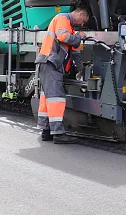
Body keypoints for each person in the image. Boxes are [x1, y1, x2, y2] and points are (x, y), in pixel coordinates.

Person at [35, 7, 90, 144]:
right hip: (50, 62)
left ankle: (46, 131)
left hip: (52, 64)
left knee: (47, 97)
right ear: (79, 13)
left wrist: (81, 69)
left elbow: (76, 53)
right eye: (82, 21)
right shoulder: (62, 18)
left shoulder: (71, 29)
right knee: (56, 98)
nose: (81, 24)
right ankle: (58, 134)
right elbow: (62, 37)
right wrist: (79, 37)